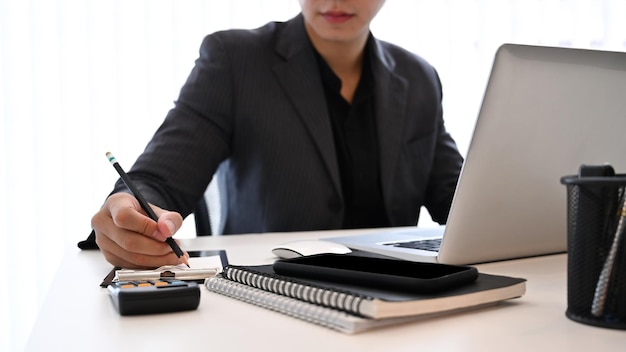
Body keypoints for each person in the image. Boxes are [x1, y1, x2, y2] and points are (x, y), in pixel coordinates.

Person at [89, 0, 464, 268]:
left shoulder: (418, 79)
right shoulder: (235, 60)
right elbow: (159, 180)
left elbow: (462, 203)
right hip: (273, 299)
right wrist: (130, 209)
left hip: (400, 301)